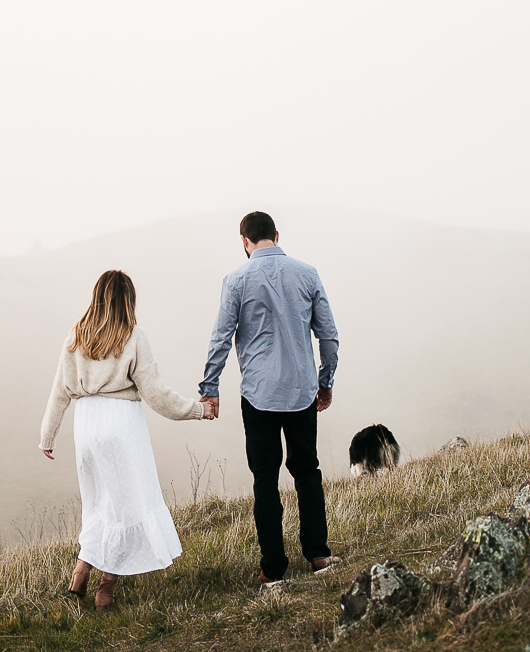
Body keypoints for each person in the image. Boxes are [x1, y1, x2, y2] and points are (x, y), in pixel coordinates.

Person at [40, 269, 214, 610]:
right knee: (125, 506)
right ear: (128, 300)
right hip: (120, 425)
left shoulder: (76, 335)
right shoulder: (133, 337)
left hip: (85, 425)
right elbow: (157, 396)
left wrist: (47, 434)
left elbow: (59, 390)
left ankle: (79, 573)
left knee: (95, 503)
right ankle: (107, 587)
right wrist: (197, 410)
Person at [199, 211, 342, 584]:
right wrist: (325, 382)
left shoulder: (235, 280)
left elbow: (220, 339)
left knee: (265, 479)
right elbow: (328, 336)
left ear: (244, 241)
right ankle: (318, 554)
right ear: (276, 235)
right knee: (307, 471)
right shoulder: (307, 273)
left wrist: (209, 388)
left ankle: (273, 568)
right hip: (301, 391)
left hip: (259, 395)